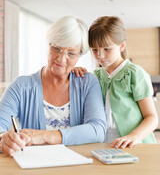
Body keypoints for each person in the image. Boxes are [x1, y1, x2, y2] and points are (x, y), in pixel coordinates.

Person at [0, 16, 106, 156]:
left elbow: (97, 130)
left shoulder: (88, 83)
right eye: (56, 48)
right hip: (34, 168)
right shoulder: (20, 87)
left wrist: (44, 136)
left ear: (80, 54)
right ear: (48, 44)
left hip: (78, 167)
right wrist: (4, 140)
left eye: (71, 53)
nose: (61, 59)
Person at [73, 16, 158, 148]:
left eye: (106, 49)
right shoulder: (95, 76)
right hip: (104, 143)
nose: (100, 56)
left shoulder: (134, 73)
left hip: (134, 144)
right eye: (94, 50)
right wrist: (75, 73)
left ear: (122, 46)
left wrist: (133, 136)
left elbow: (152, 118)